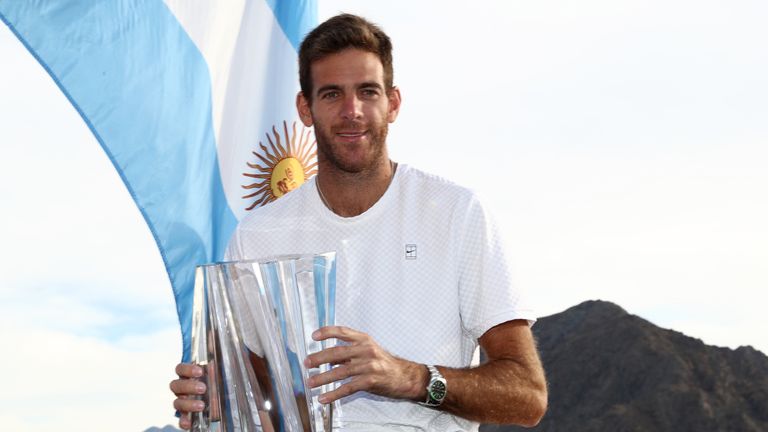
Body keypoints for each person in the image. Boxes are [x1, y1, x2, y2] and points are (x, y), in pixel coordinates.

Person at [170, 13, 547, 431]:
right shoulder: (256, 238)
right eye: (332, 94)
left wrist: (410, 378)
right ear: (305, 108)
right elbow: (260, 398)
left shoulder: (457, 213)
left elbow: (527, 396)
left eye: (367, 92)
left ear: (393, 103)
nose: (352, 111)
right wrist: (219, 399)